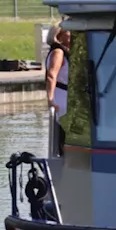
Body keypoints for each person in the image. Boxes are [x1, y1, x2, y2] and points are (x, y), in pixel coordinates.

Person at [44, 19, 71, 154]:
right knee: (64, 132)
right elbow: (51, 75)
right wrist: (50, 98)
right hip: (61, 96)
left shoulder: (64, 51)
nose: (71, 35)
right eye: (68, 32)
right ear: (59, 35)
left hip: (65, 94)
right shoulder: (58, 52)